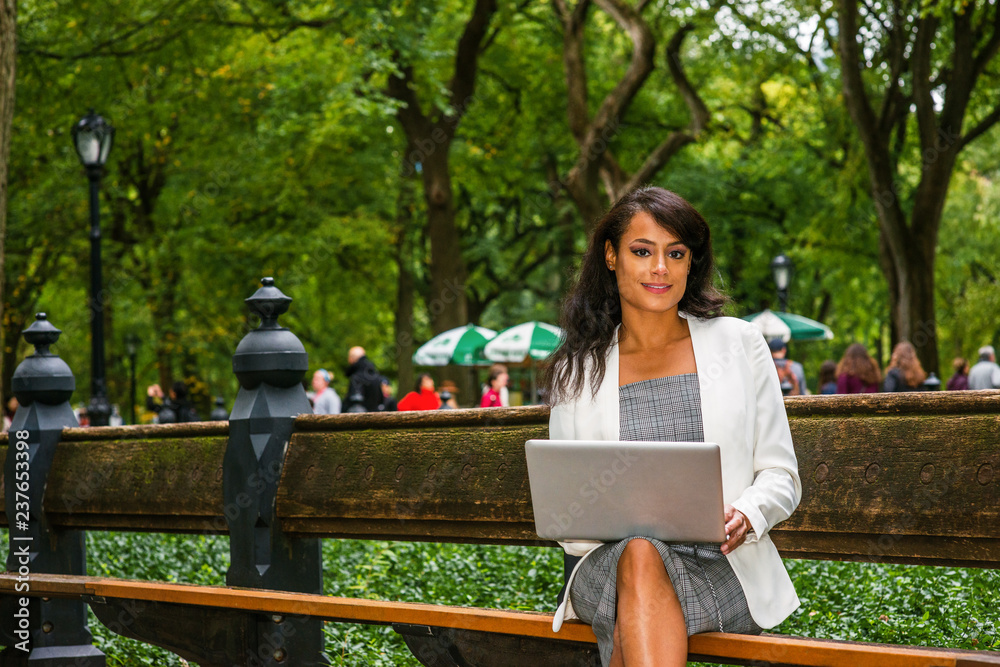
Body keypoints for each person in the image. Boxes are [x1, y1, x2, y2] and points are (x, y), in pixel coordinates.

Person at [542, 187, 800, 666]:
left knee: (636, 612)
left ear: (689, 265)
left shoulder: (739, 344)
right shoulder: (576, 370)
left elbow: (781, 477)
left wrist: (747, 513)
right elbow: (571, 527)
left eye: (675, 253)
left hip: (723, 566)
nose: (660, 268)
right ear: (612, 257)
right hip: (608, 565)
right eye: (643, 251)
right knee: (640, 556)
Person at [342, 346, 385, 412]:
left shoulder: (356, 377)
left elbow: (355, 402)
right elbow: (381, 401)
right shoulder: (376, 376)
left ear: (352, 359)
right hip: (376, 417)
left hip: (360, 418)